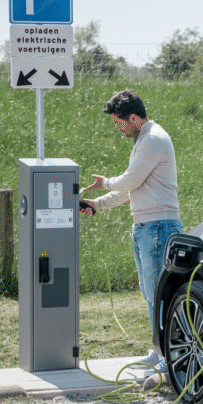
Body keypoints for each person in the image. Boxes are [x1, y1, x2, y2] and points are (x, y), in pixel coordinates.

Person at [79, 89, 182, 380]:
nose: (117, 127)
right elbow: (131, 190)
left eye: (118, 121)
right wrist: (97, 204)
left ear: (134, 118)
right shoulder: (143, 141)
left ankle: (169, 357)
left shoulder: (153, 140)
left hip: (158, 227)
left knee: (159, 295)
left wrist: (104, 183)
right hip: (146, 227)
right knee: (150, 294)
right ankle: (159, 351)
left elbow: (129, 181)